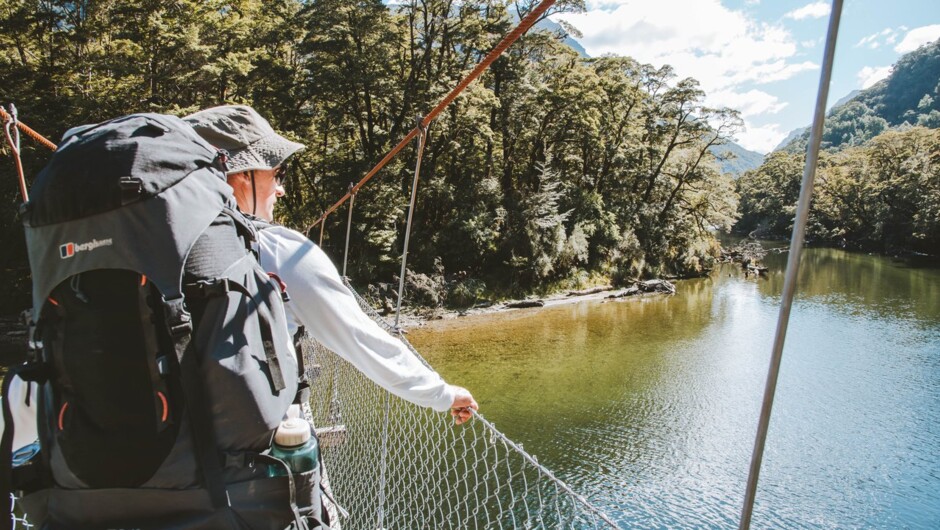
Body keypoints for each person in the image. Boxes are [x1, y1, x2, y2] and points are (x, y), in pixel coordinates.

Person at [184, 105, 478, 424]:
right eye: (277, 174)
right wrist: (442, 394)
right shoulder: (277, 249)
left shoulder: (160, 245)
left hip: (165, 453)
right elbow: (359, 337)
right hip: (263, 450)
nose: (281, 190)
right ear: (243, 174)